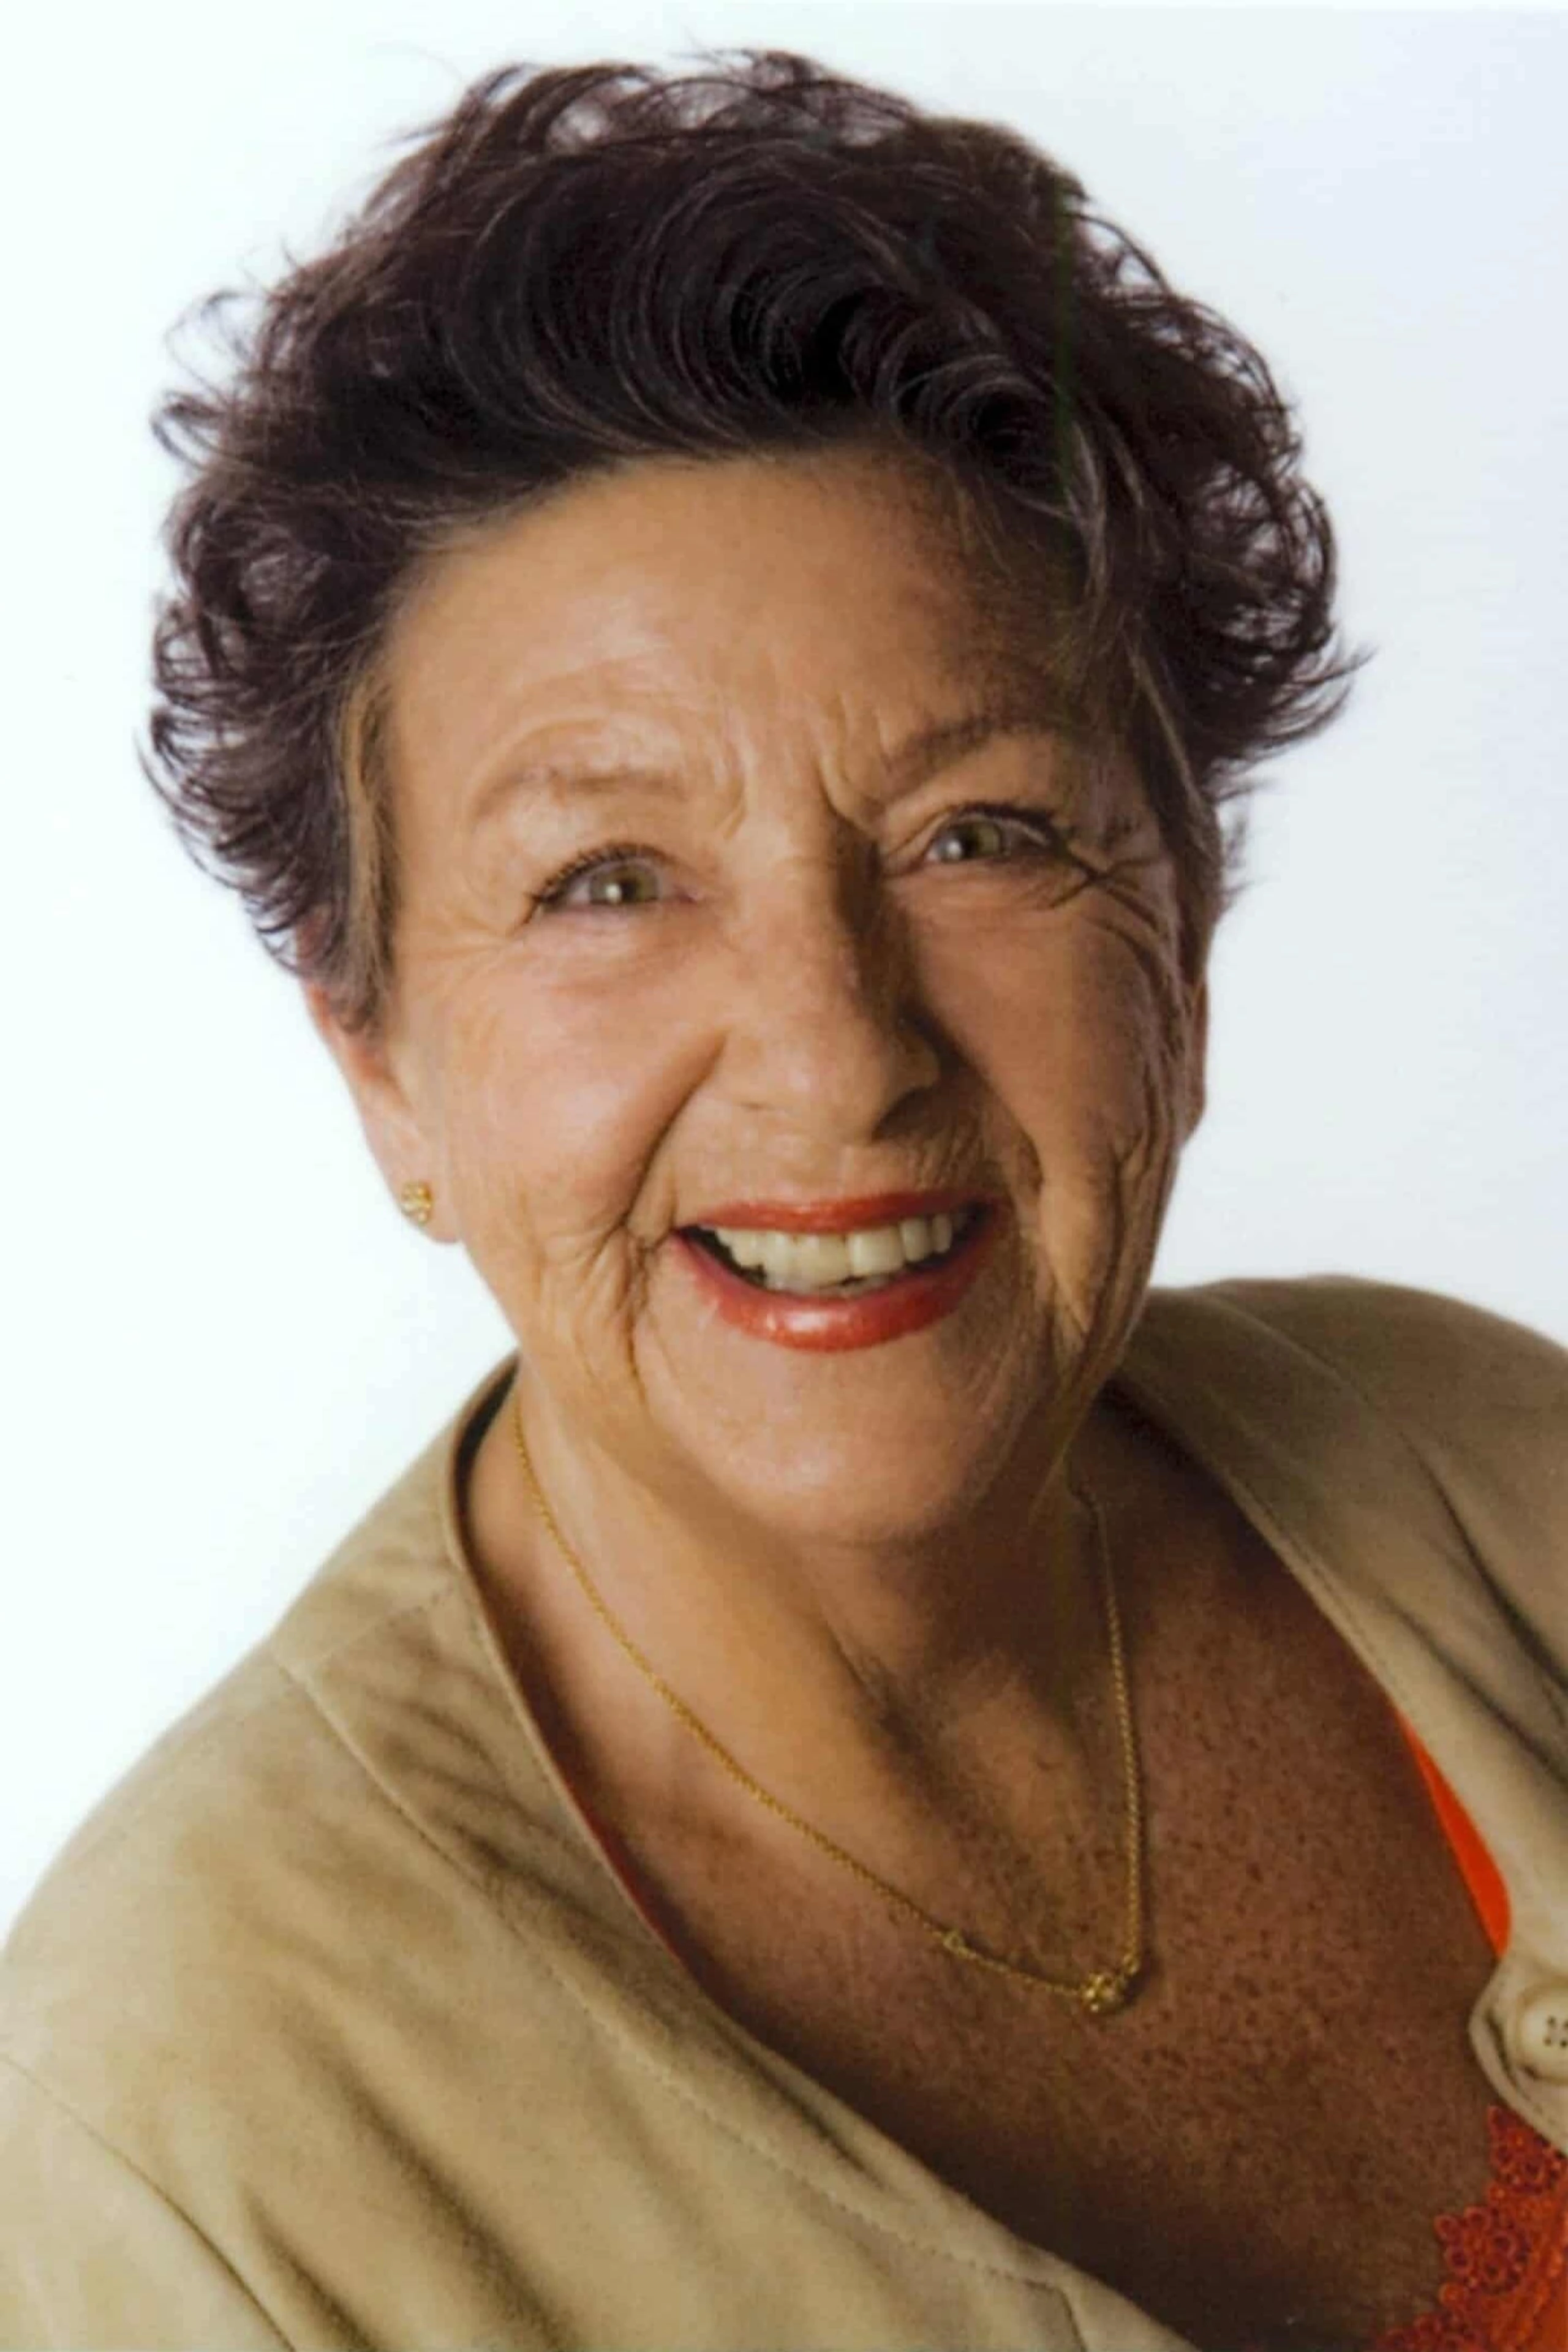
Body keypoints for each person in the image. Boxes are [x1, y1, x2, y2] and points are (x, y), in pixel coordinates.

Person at [1, 48, 1563, 2352]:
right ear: (379, 1060)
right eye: (606, 881)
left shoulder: (1492, 1464)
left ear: (1186, 932)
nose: (838, 1055)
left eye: (977, 835)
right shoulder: (175, 2154)